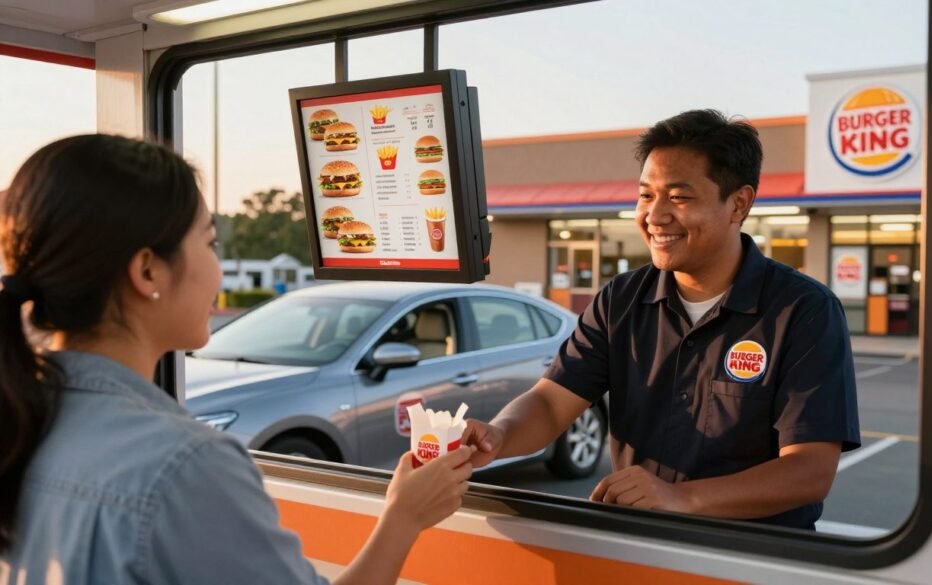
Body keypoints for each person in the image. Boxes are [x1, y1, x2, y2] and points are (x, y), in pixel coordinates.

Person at [0, 134, 472, 584]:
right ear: (147, 270)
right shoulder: (186, 465)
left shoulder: (21, 419)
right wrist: (403, 518)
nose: (218, 271)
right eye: (209, 244)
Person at [463, 110, 860, 529]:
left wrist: (681, 497)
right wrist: (499, 435)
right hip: (642, 550)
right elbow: (549, 402)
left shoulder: (803, 311)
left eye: (679, 197)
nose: (655, 215)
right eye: (646, 195)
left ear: (738, 203)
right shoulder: (620, 300)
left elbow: (810, 471)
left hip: (754, 558)